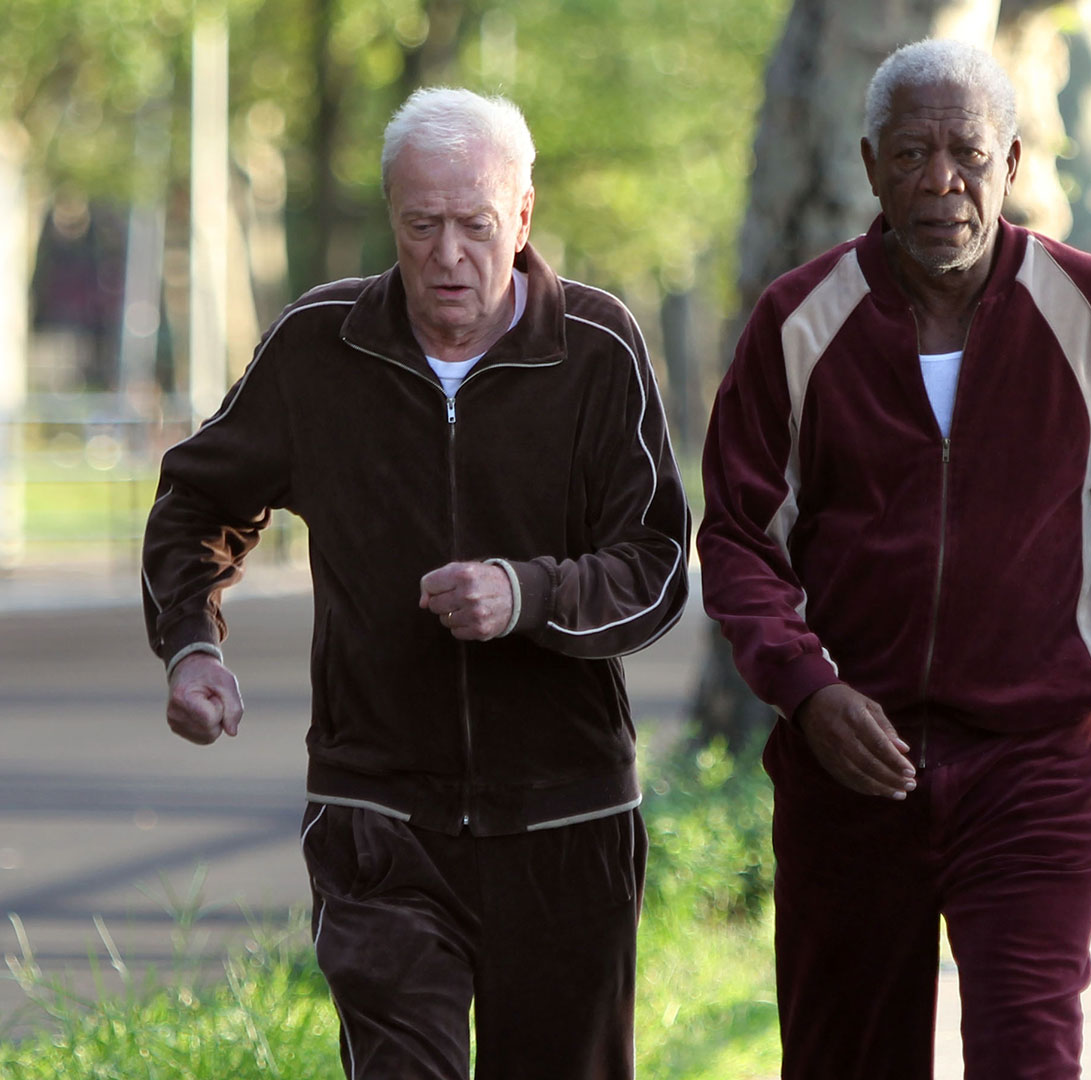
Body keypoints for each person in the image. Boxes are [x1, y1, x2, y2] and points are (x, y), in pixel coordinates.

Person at [697, 39, 1091, 1080]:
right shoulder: (799, 322)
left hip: (1034, 769)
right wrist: (811, 693)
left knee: (1029, 1059)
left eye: (967, 154)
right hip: (848, 776)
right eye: (910, 155)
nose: (941, 182)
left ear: (1014, 164)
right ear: (867, 167)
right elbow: (734, 537)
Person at [142, 87, 689, 1080]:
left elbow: (654, 569)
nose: (446, 256)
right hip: (377, 816)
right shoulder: (322, 345)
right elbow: (196, 501)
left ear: (521, 217)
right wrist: (191, 643)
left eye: (474, 227)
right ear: (390, 212)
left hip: (564, 819)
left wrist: (526, 596)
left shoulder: (597, 351)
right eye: (420, 225)